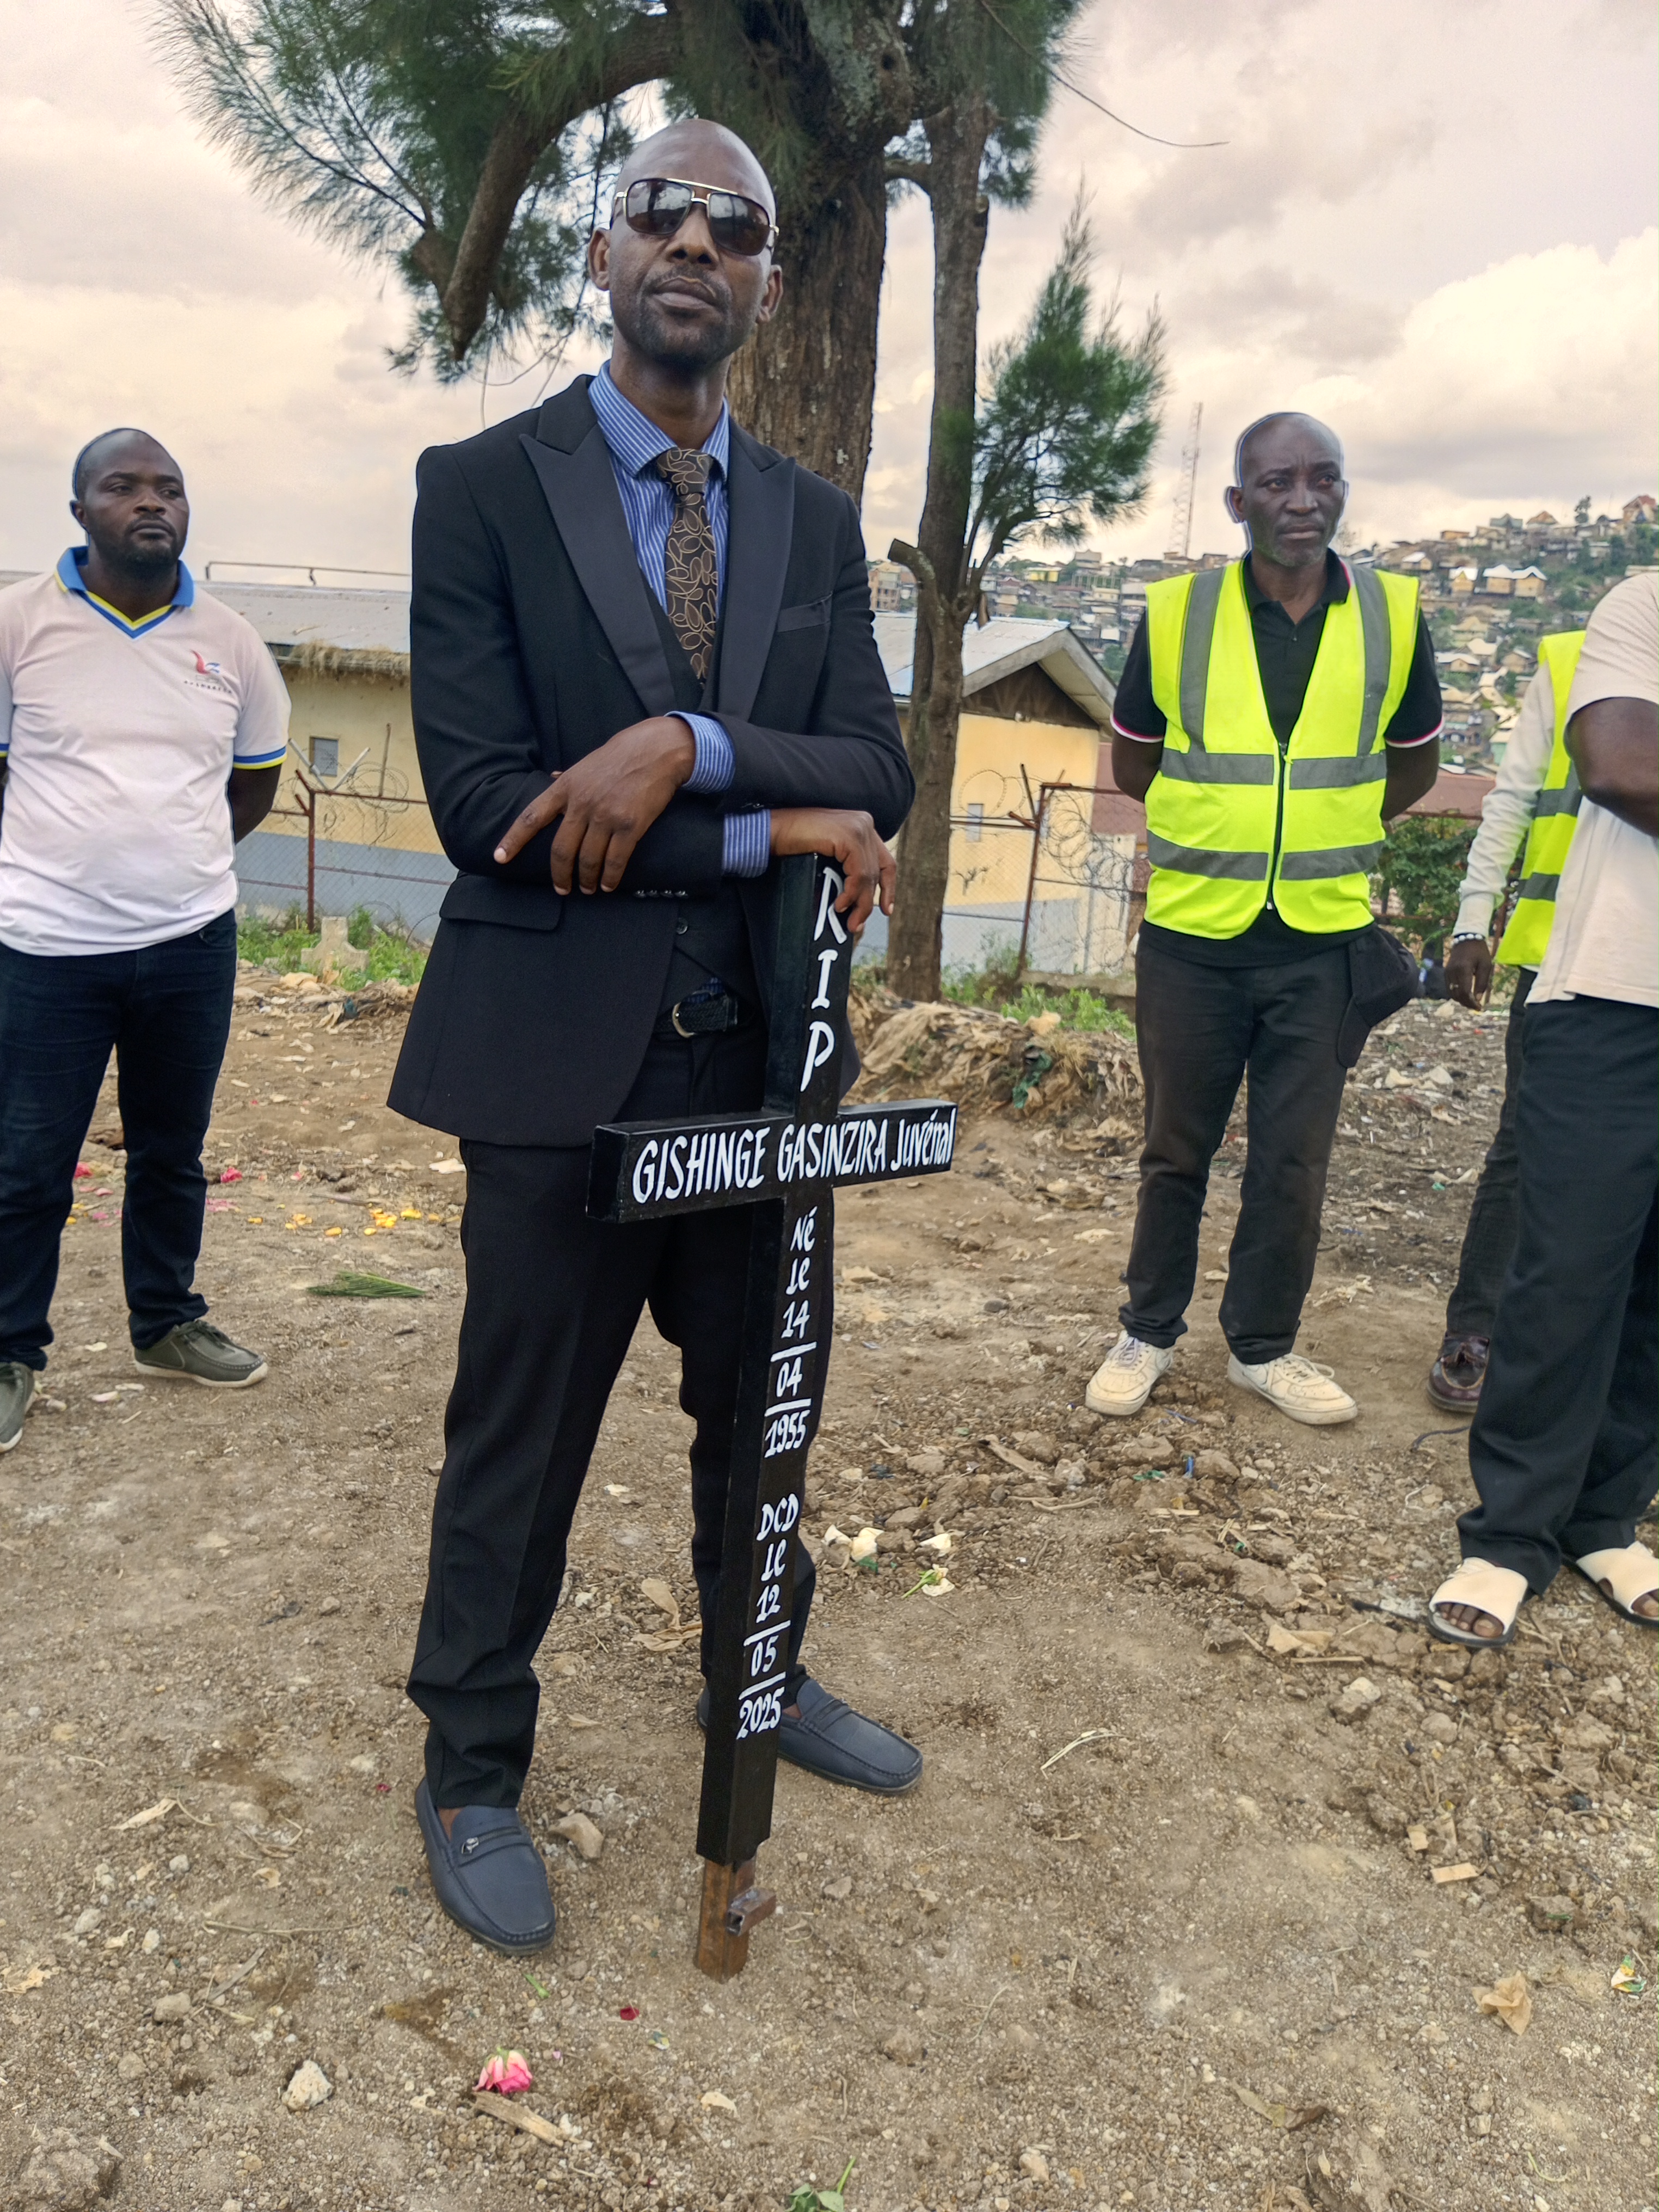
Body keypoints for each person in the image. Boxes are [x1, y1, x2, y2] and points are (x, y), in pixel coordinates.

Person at [388, 119, 920, 1955]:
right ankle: (471, 1761)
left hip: (764, 1058)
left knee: (761, 1407)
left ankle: (755, 1678)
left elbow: (878, 765)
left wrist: (683, 746)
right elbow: (488, 810)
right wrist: (767, 827)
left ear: (765, 280)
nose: (696, 241)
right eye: (660, 212)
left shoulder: (811, 521)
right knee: (520, 1429)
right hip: (556, 1063)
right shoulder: (480, 488)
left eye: (736, 226)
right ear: (600, 253)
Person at [1086, 413, 1442, 1427]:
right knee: (1175, 1151)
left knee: (1293, 1162)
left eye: (1324, 478)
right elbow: (1135, 761)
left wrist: (1322, 828)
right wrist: (1232, 828)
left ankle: (1264, 1347)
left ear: (1343, 492)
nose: (1304, 500)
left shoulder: (1394, 614)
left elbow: (1413, 764)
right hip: (1194, 937)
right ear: (1239, 502)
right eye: (1279, 482)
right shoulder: (1177, 613)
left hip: (1322, 941)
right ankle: (1149, 1329)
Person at [0, 431, 286, 1453]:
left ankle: (165, 1324)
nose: (151, 502)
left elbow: (254, 783)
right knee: (27, 1165)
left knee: (172, 1152)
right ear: (81, 510)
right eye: (123, 487)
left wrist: (173, 862)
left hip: (189, 946)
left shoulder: (232, 642)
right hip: (46, 950)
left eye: (169, 488)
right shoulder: (18, 624)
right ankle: (9, 1352)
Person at [1429, 573, 1659, 1646]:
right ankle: (1511, 1533)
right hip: (1612, 992)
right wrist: (1472, 915)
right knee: (1567, 1273)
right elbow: (1618, 767)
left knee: (1654, 1288)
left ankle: (1605, 1519)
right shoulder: (1641, 607)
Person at [1424, 633, 1585, 1410]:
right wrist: (1472, 921)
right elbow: (1514, 798)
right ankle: (1477, 1326)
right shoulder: (1577, 659)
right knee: (1524, 1144)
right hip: (1566, 954)